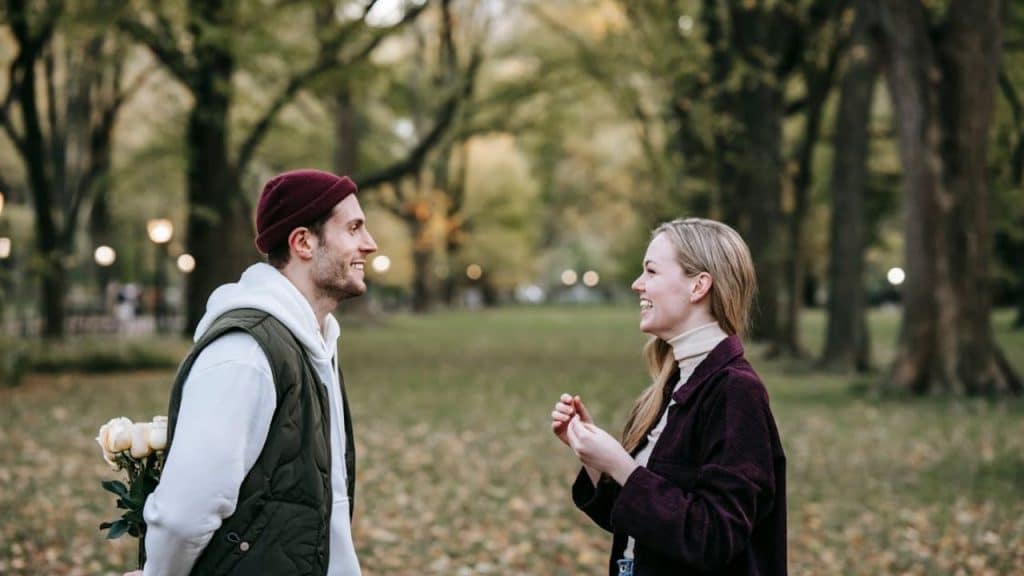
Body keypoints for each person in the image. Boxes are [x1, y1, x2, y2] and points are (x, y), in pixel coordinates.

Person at [130, 169, 377, 576]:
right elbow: (183, 514)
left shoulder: (314, 342)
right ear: (303, 242)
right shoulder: (244, 354)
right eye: (353, 229)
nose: (369, 244)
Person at [550, 218, 786, 576]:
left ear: (698, 286)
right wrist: (595, 460)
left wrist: (622, 466)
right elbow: (642, 523)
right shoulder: (674, 382)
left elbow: (714, 538)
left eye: (651, 271)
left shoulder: (735, 390)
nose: (637, 284)